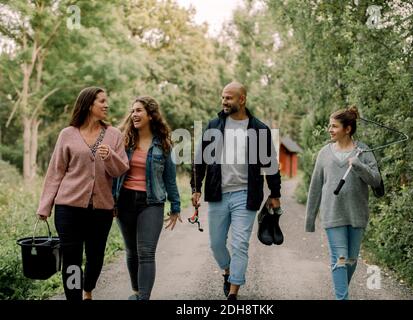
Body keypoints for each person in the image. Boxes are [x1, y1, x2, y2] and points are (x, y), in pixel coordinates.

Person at [36, 86, 129, 301]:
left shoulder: (114, 134)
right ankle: (74, 298)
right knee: (72, 259)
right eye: (102, 101)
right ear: (89, 105)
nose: (107, 105)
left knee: (95, 258)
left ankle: (88, 288)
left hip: (101, 210)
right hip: (68, 208)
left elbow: (120, 170)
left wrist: (110, 157)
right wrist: (45, 206)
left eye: (107, 101)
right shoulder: (67, 134)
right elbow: (55, 171)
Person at [191, 81, 282, 300]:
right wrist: (196, 188)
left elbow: (270, 163)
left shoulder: (259, 129)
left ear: (242, 100)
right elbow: (199, 160)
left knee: (240, 243)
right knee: (216, 243)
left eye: (229, 97)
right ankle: (228, 271)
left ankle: (233, 292)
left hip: (245, 194)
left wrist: (275, 193)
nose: (224, 101)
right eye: (223, 97)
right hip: (217, 193)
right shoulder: (214, 126)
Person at [305, 106, 381, 300]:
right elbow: (315, 186)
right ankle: (342, 298)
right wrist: (310, 218)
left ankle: (341, 293)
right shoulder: (324, 153)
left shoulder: (363, 151)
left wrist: (358, 165)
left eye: (334, 126)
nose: (330, 130)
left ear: (347, 129)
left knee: (351, 260)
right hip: (332, 214)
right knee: (340, 259)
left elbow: (376, 180)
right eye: (329, 126)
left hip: (357, 214)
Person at [113, 96, 181, 300]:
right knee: (131, 252)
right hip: (124, 201)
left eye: (139, 110)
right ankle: (136, 292)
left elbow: (170, 178)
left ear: (150, 115)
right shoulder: (123, 141)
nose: (134, 114)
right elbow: (112, 173)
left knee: (146, 252)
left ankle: (143, 298)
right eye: (132, 110)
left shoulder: (164, 144)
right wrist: (110, 201)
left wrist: (175, 206)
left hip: (151, 204)